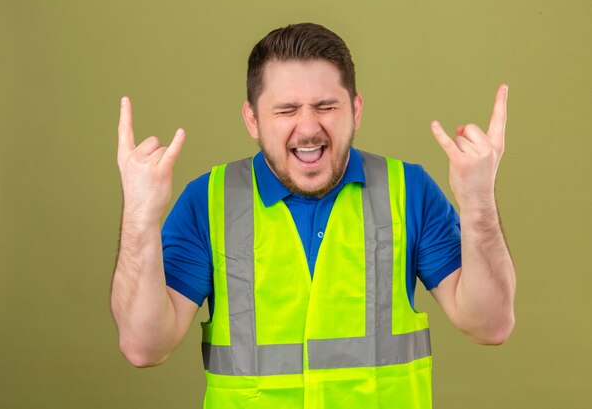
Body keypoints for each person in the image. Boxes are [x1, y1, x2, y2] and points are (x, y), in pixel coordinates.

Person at [110, 23, 516, 408]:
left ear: (355, 110)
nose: (308, 128)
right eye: (286, 110)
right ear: (252, 119)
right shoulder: (208, 199)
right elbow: (144, 347)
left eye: (326, 106)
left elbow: (490, 324)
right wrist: (140, 217)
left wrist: (478, 200)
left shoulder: (407, 190)